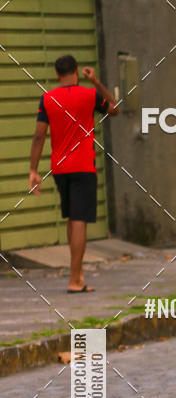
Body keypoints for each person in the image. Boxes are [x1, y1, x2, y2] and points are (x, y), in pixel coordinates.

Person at [28, 54, 119, 293]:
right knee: (79, 221)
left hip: (59, 168)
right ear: (77, 71)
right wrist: (96, 82)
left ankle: (77, 276)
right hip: (83, 167)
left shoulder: (47, 99)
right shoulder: (90, 95)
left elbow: (39, 136)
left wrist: (33, 171)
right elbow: (115, 109)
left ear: (58, 75)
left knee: (72, 219)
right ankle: (74, 279)